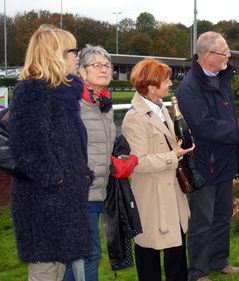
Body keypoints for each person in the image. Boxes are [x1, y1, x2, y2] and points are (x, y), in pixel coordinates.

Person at [174, 31, 239, 281]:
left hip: (224, 161)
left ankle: (219, 260)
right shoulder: (190, 88)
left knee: (223, 215)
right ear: (208, 55)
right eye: (224, 51)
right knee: (202, 221)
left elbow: (226, 119)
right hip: (204, 164)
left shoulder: (220, 79)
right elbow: (206, 127)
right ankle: (197, 271)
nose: (228, 55)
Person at [9, 25, 93, 281]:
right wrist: (56, 179)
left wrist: (78, 175)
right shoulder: (32, 92)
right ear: (55, 54)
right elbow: (28, 147)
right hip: (43, 200)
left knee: (56, 266)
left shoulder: (64, 93)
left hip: (63, 197)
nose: (77, 56)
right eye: (73, 50)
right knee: (45, 270)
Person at [121, 57, 195, 281]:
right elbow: (138, 162)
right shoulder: (134, 118)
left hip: (171, 193)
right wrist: (173, 156)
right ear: (152, 87)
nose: (171, 83)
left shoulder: (162, 108)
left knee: (177, 253)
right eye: (166, 81)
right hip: (152, 197)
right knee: (149, 253)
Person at [62, 44, 116, 281]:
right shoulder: (75, 103)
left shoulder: (103, 104)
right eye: (97, 65)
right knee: (88, 254)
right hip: (79, 192)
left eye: (107, 65)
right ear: (82, 71)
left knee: (77, 257)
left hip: (98, 192)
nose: (104, 69)